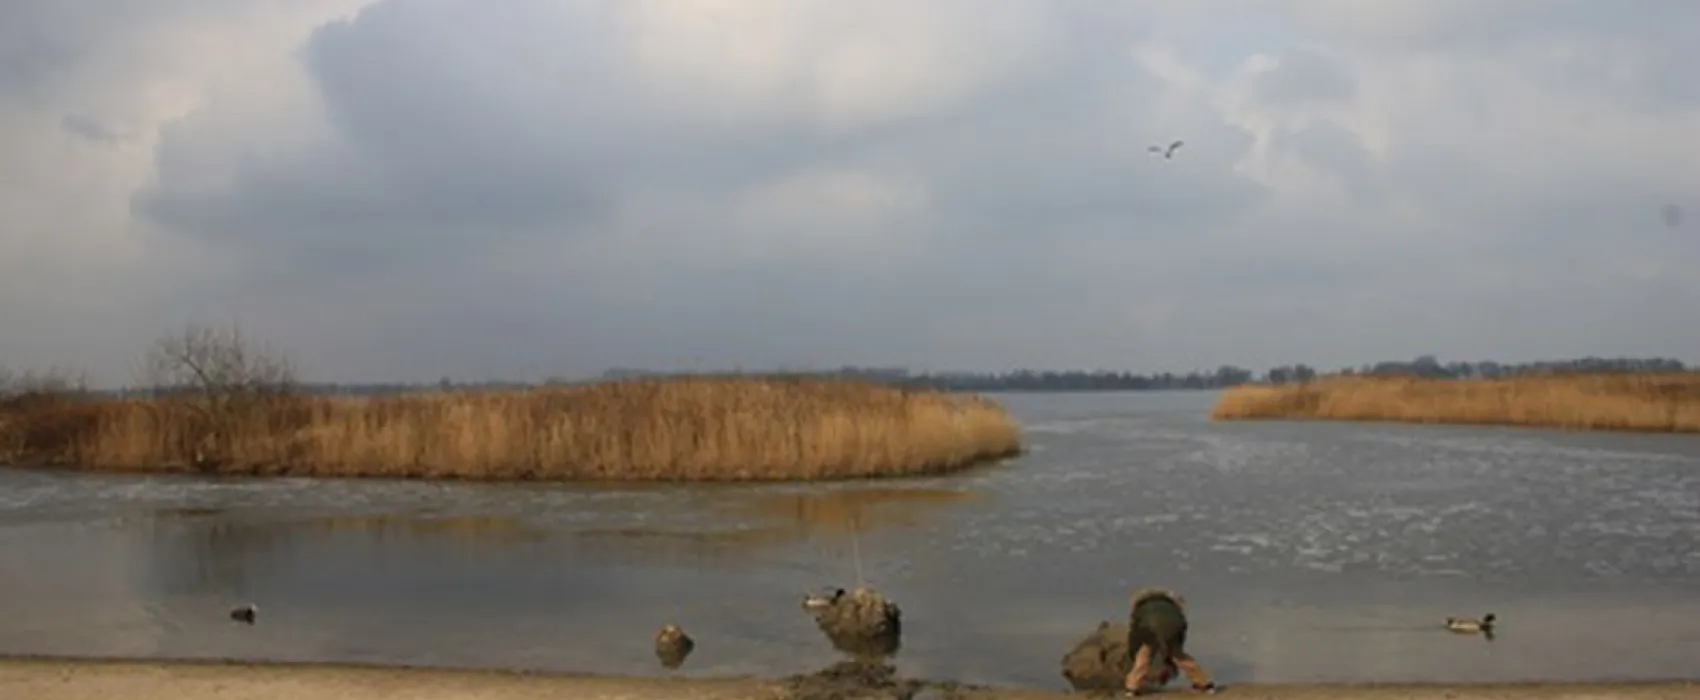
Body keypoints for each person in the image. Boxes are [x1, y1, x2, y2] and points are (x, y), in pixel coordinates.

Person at [1124, 587, 1220, 696]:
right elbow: (1181, 624)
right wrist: (1177, 644)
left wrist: (1133, 651)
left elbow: (1135, 632)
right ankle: (1205, 684)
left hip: (1149, 630)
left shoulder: (1140, 609)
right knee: (1180, 657)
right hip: (1173, 629)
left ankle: (1132, 688)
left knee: (1143, 658)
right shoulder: (1172, 606)